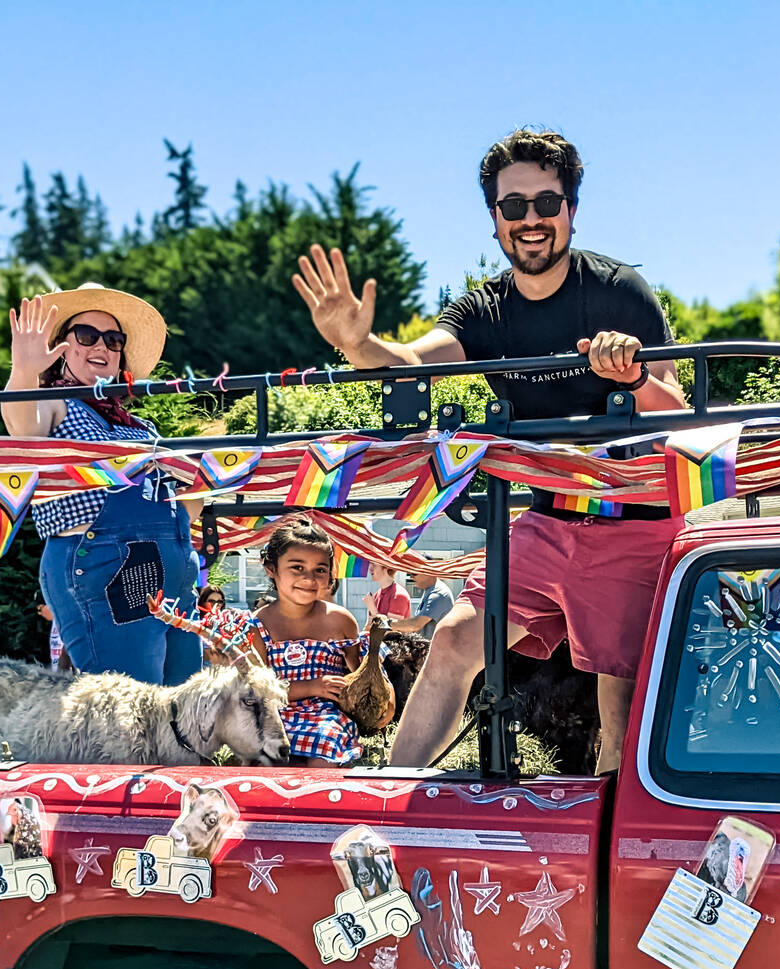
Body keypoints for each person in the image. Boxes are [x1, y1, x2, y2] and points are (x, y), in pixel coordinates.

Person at [293, 129, 686, 772]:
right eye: (513, 207)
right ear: (495, 221)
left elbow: (677, 417)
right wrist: (356, 346)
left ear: (572, 210)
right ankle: (393, 809)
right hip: (546, 523)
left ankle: (606, 866)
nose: (530, 220)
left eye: (546, 203)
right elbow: (413, 362)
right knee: (451, 642)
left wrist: (635, 378)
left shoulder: (620, 291)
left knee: (619, 707)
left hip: (633, 525)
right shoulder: (483, 308)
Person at [0, 285, 203, 686]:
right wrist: (24, 369)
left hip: (172, 570)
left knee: (186, 703)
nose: (102, 347)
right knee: (133, 707)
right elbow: (24, 432)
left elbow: (181, 506)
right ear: (61, 348)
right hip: (108, 565)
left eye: (113, 340)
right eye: (86, 335)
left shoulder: (140, 427)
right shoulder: (55, 402)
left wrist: (207, 480)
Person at [253, 518, 363, 765]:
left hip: (327, 716)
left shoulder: (340, 620)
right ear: (271, 569)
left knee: (324, 743)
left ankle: (320, 800)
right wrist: (314, 686)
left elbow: (360, 675)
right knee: (263, 752)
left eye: (320, 570)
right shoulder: (257, 625)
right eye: (297, 567)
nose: (309, 578)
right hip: (274, 715)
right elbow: (259, 690)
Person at [392, 568, 455, 638]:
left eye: (414, 573)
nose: (411, 577)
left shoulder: (438, 593)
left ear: (428, 572)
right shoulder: (430, 590)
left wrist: (388, 624)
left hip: (438, 648)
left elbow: (416, 624)